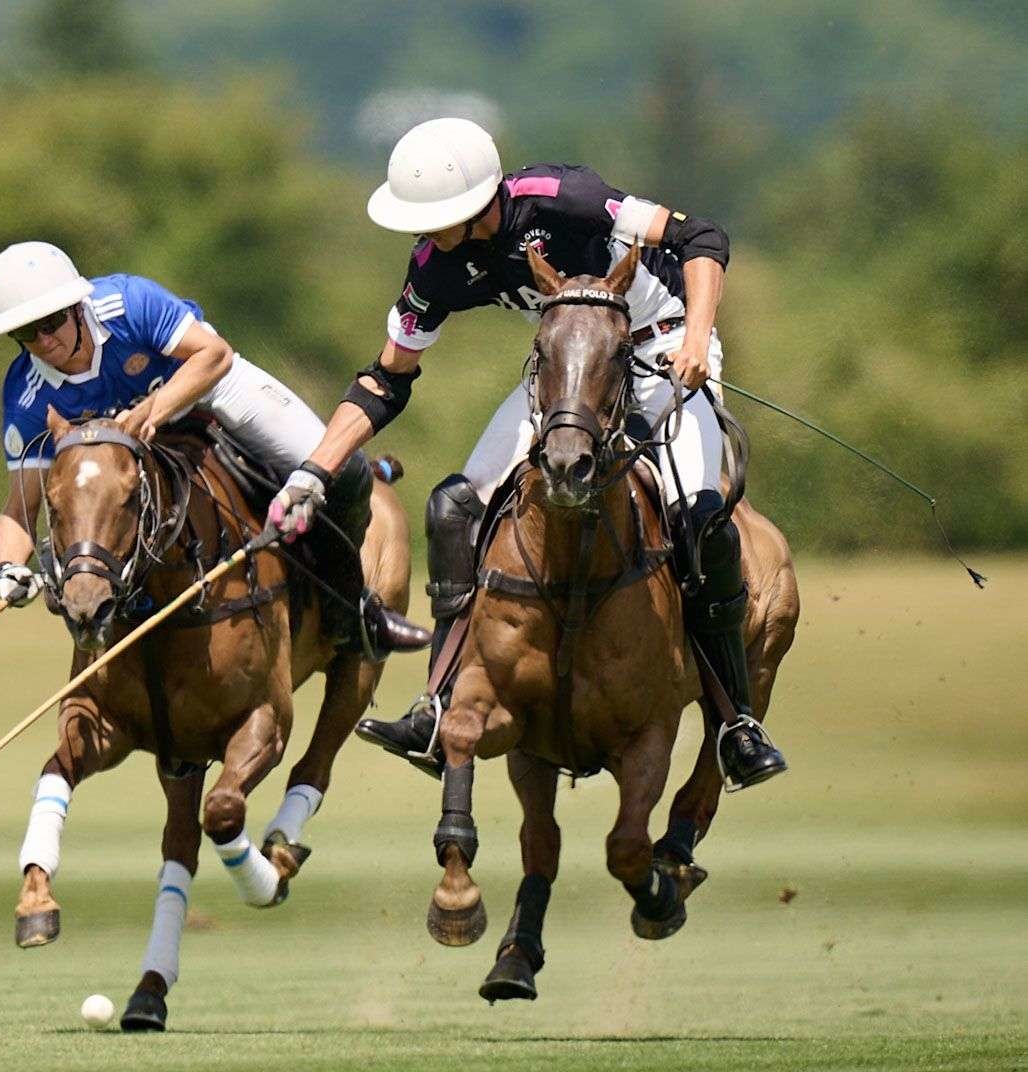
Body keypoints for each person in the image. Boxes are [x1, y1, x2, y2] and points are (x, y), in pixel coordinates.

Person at [265, 118, 786, 789]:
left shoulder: (561, 198)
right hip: (570, 365)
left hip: (664, 344)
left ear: (482, 203)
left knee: (699, 515)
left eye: (437, 219)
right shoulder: (436, 264)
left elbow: (701, 236)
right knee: (455, 505)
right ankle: (438, 701)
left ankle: (735, 719)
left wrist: (696, 341)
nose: (425, 236)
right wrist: (317, 468)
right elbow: (386, 379)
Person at [0, 240, 428, 656]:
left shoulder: (127, 304)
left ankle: (354, 613)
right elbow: (19, 507)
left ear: (78, 307)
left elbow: (215, 355)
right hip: (135, 447)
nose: (44, 342)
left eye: (51, 323)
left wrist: (154, 411)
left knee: (344, 469)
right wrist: (8, 568)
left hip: (210, 390)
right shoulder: (26, 392)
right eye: (26, 333)